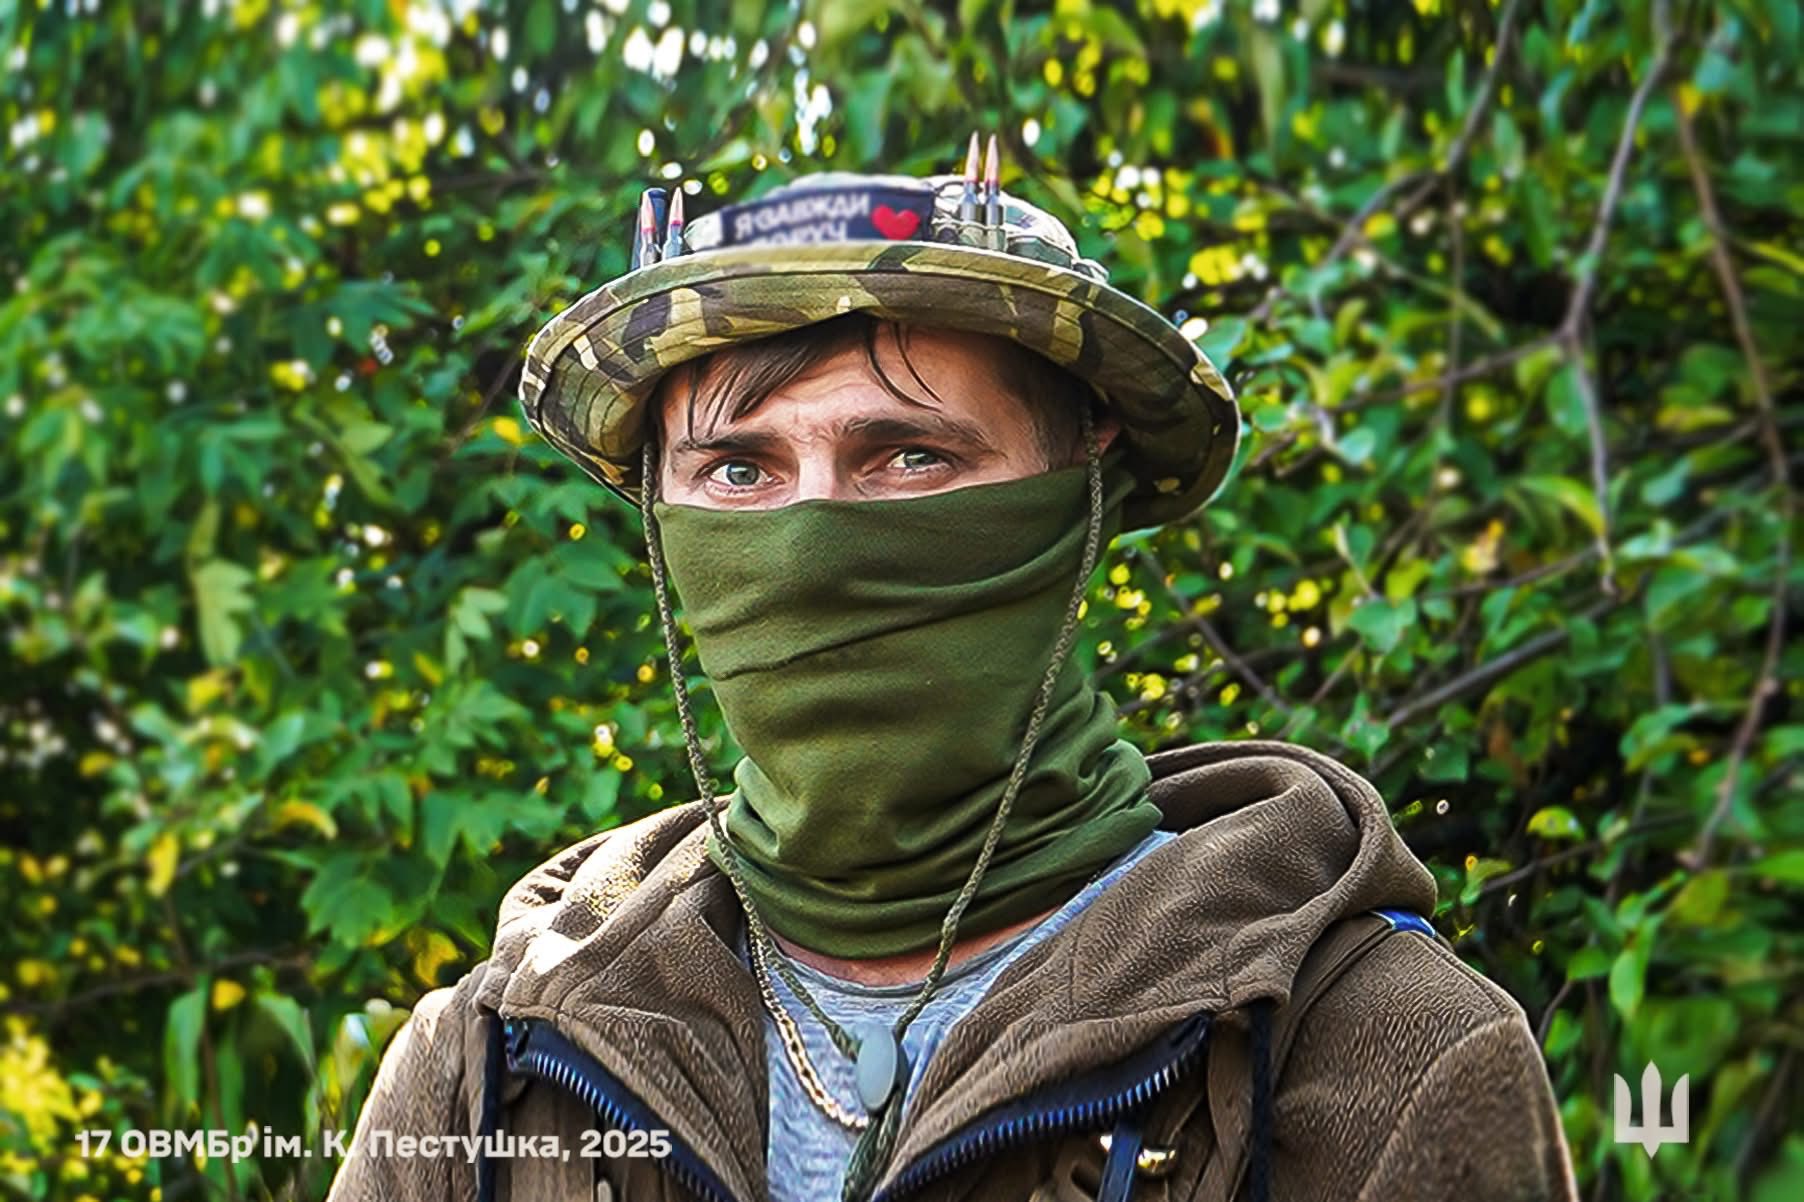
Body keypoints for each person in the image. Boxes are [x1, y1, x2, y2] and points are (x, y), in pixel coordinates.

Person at [324, 165, 1578, 1202]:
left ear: (1082, 483)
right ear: (663, 510)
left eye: (911, 455)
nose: (810, 546)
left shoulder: (1369, 1056)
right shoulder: (490, 1070)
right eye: (740, 471)